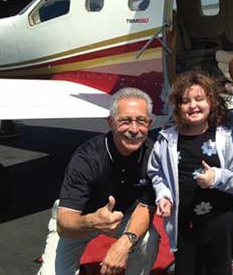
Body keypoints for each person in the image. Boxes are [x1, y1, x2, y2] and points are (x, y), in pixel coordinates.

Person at [37, 87, 159, 275]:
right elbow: (65, 223)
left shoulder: (153, 155)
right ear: (110, 122)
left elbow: (146, 207)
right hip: (81, 218)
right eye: (125, 120)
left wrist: (123, 245)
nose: (134, 129)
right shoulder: (87, 157)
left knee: (148, 240)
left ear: (149, 123)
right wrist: (91, 221)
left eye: (141, 121)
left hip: (124, 217)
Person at [148, 70, 233, 275]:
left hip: (219, 221)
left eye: (199, 99)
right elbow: (156, 173)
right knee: (186, 269)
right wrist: (163, 195)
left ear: (211, 101)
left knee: (219, 270)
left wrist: (217, 178)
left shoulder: (226, 137)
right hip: (184, 223)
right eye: (185, 101)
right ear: (178, 106)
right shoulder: (166, 139)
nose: (193, 106)